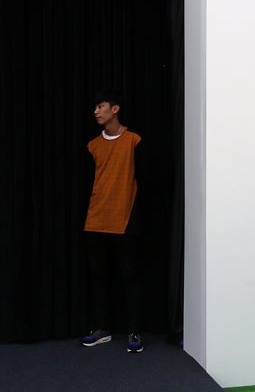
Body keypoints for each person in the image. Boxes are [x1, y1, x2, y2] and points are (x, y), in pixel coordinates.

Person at [80, 90, 145, 353]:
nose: (96, 111)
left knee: (130, 276)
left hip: (124, 217)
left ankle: (134, 331)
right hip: (96, 218)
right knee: (98, 276)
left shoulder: (134, 141)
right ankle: (102, 329)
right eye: (95, 107)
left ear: (115, 109)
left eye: (101, 106)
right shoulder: (92, 146)